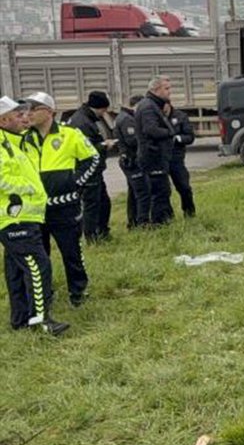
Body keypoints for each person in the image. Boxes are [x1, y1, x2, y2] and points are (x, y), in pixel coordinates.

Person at [21, 92, 100, 308]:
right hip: (35, 209)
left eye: (33, 109)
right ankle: (45, 295)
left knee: (71, 252)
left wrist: (75, 183)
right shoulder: (24, 139)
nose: (28, 114)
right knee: (40, 256)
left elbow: (92, 158)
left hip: (64, 207)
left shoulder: (69, 134)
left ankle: (79, 292)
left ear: (49, 112)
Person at [0, 97, 69, 336]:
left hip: (24, 216)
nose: (24, 118)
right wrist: (28, 188)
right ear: (3, 120)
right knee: (38, 266)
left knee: (16, 269)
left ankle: (20, 319)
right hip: (14, 217)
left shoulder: (16, 141)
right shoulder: (2, 143)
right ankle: (41, 321)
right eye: (18, 115)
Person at [66, 91, 112, 241]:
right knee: (92, 205)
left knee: (103, 203)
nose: (105, 112)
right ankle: (92, 237)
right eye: (104, 109)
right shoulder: (82, 122)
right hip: (87, 170)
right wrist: (104, 145)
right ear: (98, 107)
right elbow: (85, 149)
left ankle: (101, 232)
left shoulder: (87, 117)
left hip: (93, 169)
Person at [135, 76, 175, 225]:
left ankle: (165, 219)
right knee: (159, 191)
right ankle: (160, 223)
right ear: (155, 90)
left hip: (158, 155)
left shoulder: (154, 105)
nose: (169, 92)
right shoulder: (147, 106)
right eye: (166, 88)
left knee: (164, 190)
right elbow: (150, 130)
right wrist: (169, 133)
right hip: (152, 156)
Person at [114, 95, 149, 228]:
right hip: (131, 160)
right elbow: (132, 140)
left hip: (129, 159)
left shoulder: (124, 116)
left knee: (134, 192)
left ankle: (133, 222)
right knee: (142, 193)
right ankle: (142, 222)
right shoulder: (127, 119)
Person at [165, 102, 196, 217]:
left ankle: (189, 212)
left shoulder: (180, 116)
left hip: (176, 157)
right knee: (163, 190)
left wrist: (178, 138)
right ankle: (167, 215)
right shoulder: (155, 116)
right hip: (161, 157)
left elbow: (190, 137)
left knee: (184, 187)